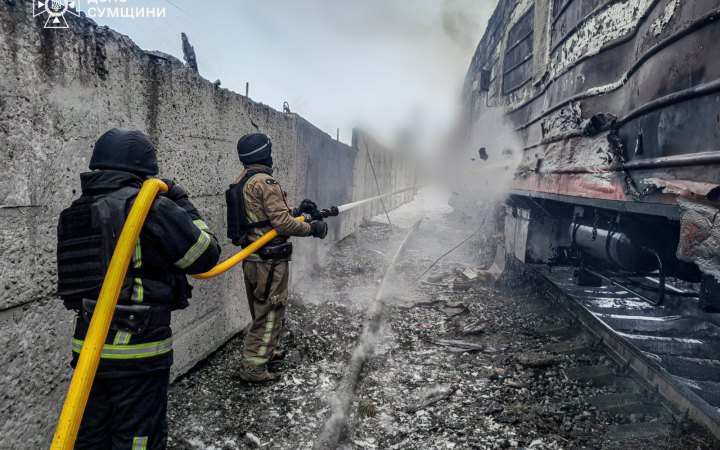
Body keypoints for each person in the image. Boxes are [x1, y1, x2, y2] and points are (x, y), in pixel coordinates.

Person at [56, 128, 221, 449]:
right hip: (138, 352)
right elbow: (205, 255)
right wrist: (182, 201)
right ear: (145, 171)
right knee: (138, 439)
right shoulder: (150, 207)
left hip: (88, 349)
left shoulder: (75, 212)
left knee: (89, 438)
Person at [226, 133, 328, 382]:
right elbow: (282, 224)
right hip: (270, 262)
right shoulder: (265, 182)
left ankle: (265, 351)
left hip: (253, 258)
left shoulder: (244, 180)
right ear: (263, 153)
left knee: (261, 309)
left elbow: (264, 217)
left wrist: (298, 211)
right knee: (271, 311)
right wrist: (312, 228)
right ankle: (253, 368)